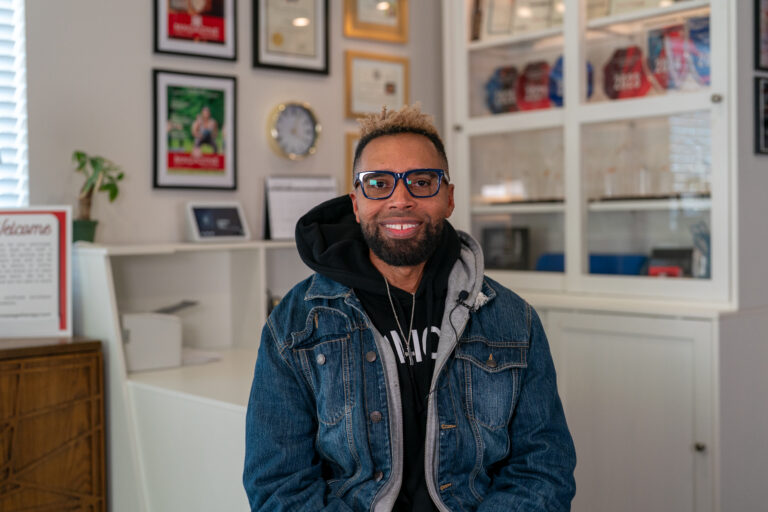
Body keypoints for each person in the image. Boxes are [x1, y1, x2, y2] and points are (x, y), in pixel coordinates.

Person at [243, 104, 576, 511]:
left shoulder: (511, 319)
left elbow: (543, 468)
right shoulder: (297, 324)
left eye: (422, 181)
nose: (400, 200)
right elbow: (279, 484)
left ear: (449, 198)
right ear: (355, 202)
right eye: (378, 183)